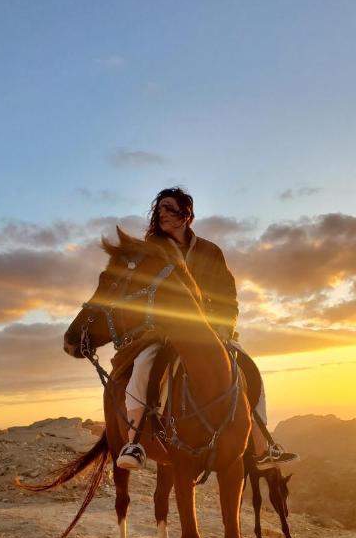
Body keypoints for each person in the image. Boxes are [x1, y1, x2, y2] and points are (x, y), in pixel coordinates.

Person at [116, 187, 299, 471]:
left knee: (250, 368)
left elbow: (228, 294)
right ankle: (135, 441)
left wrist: (224, 328)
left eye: (168, 208)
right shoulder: (151, 251)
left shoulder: (211, 251)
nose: (161, 213)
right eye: (159, 208)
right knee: (142, 366)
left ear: (186, 214)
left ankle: (263, 445)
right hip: (164, 331)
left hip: (211, 332)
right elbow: (139, 290)